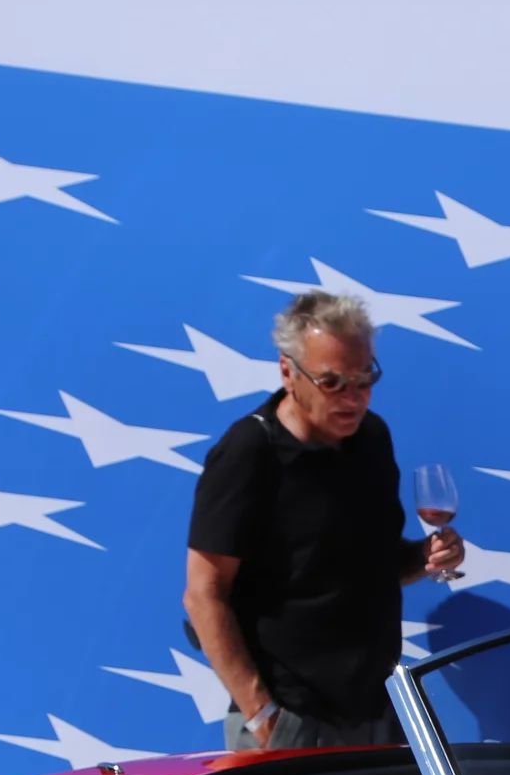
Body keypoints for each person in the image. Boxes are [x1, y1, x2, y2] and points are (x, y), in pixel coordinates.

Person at [184, 290, 466, 751]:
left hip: (377, 709)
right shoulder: (250, 452)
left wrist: (427, 556)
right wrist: (262, 716)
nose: (352, 398)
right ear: (288, 371)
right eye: (332, 382)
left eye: (364, 379)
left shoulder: (372, 438)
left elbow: (374, 564)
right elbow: (203, 595)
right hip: (293, 718)